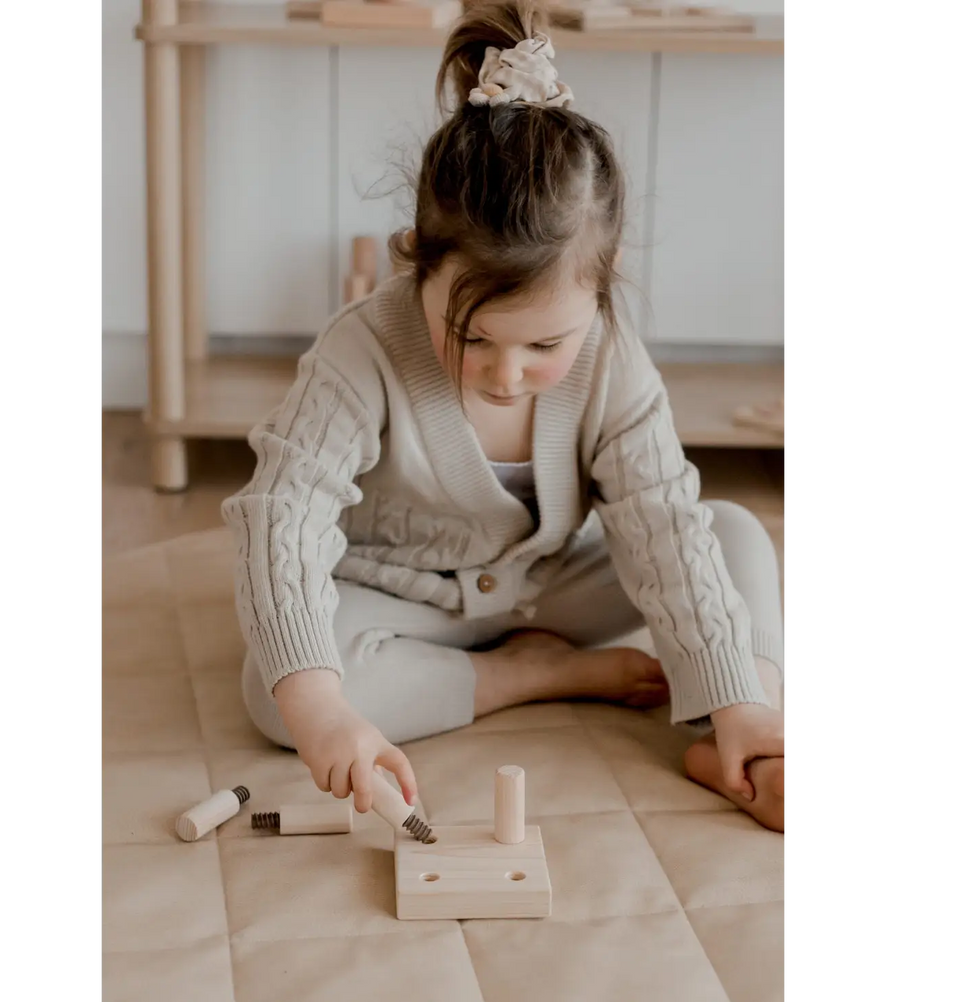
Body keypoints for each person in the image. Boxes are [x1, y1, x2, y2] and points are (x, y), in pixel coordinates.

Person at [221, 0, 787, 833]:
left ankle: (751, 732)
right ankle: (533, 678)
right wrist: (319, 704)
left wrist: (736, 691)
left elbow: (661, 521)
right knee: (279, 692)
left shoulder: (613, 357)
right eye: (473, 336)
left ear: (605, 280)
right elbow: (283, 516)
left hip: (552, 585)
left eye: (543, 345)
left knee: (731, 534)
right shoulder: (360, 348)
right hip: (399, 598)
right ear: (417, 254)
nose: (506, 374)